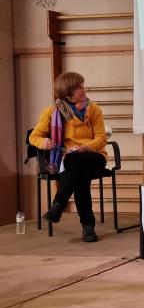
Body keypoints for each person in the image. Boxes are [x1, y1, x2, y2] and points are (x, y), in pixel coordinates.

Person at [29, 72, 107, 242]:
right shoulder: (52, 112)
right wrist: (45, 142)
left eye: (82, 85)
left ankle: (58, 205)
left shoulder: (93, 109)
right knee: (80, 174)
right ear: (68, 92)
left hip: (94, 156)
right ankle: (88, 227)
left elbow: (102, 138)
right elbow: (33, 137)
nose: (84, 89)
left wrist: (86, 147)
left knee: (77, 162)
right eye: (79, 87)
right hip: (68, 161)